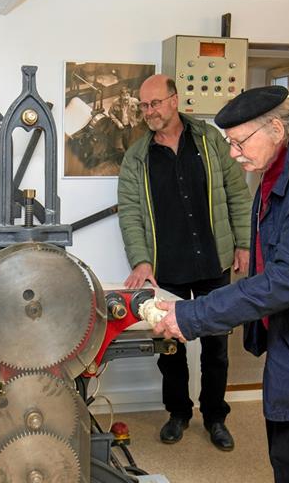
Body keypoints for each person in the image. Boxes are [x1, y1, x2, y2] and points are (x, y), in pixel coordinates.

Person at [154, 85, 289, 482]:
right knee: (288, 454)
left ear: (275, 127)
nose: (234, 155)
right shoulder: (285, 160)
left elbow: (287, 279)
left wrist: (193, 314)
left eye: (238, 143)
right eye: (229, 144)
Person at [117, 74, 252, 451]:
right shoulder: (138, 157)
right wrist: (141, 260)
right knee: (169, 348)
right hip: (167, 267)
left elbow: (237, 194)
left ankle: (215, 417)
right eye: (144, 105)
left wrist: (243, 242)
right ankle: (178, 414)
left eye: (155, 103)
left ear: (175, 100)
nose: (149, 112)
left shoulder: (210, 141)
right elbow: (129, 213)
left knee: (217, 348)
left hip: (213, 261)